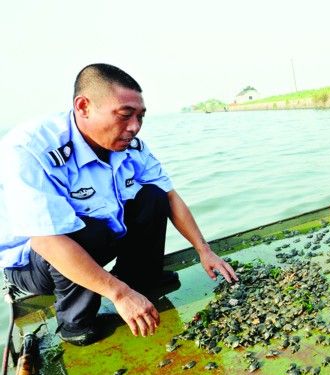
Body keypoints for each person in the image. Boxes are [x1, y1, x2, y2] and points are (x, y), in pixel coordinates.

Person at [0, 63, 237, 346]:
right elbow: (46, 241)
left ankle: (140, 281)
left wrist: (204, 250)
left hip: (102, 234)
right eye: (125, 115)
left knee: (152, 196)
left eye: (140, 116)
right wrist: (119, 294)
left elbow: (169, 195)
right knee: (88, 230)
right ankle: (75, 322)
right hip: (34, 262)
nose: (134, 127)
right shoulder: (29, 148)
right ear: (84, 106)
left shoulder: (130, 146)